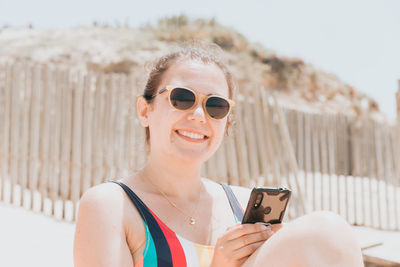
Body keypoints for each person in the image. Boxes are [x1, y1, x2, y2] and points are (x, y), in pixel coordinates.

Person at [73, 44, 363, 267]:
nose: (199, 116)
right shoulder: (112, 205)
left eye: (216, 106)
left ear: (226, 122)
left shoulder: (242, 205)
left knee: (327, 233)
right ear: (145, 110)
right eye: (182, 98)